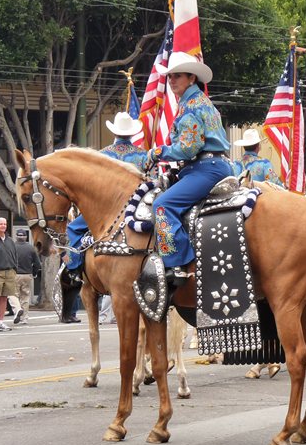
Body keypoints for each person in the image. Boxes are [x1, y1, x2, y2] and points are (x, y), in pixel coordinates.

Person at [148, 52, 233, 279]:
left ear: (192, 78)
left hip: (205, 168)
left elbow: (188, 147)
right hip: (215, 165)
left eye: (177, 76)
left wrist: (159, 152)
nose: (172, 80)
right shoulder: (200, 103)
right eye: (170, 77)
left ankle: (177, 265)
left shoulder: (191, 107)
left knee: (162, 205)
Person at [66, 111, 147, 284]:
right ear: (132, 134)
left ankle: (74, 269)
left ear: (114, 132)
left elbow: (91, 185)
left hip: (106, 209)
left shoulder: (103, 155)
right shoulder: (143, 155)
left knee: (73, 228)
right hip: (138, 206)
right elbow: (150, 180)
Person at [11, 228, 41, 325]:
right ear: (25, 237)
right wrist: (34, 273)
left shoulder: (12, 247)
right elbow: (37, 264)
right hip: (27, 274)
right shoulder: (31, 248)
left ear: (16, 236)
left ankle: (18, 310)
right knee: (25, 296)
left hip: (14, 274)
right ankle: (24, 318)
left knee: (13, 294)